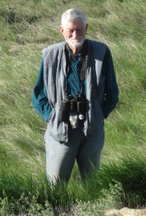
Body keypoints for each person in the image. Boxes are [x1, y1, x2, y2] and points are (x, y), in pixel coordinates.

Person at [32, 8, 119, 185]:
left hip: (91, 131)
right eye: (71, 29)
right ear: (61, 30)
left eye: (79, 29)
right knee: (55, 185)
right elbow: (38, 94)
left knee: (92, 184)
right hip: (60, 131)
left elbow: (112, 92)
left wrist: (99, 115)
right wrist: (52, 117)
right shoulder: (49, 55)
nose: (75, 33)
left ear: (86, 28)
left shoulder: (101, 52)